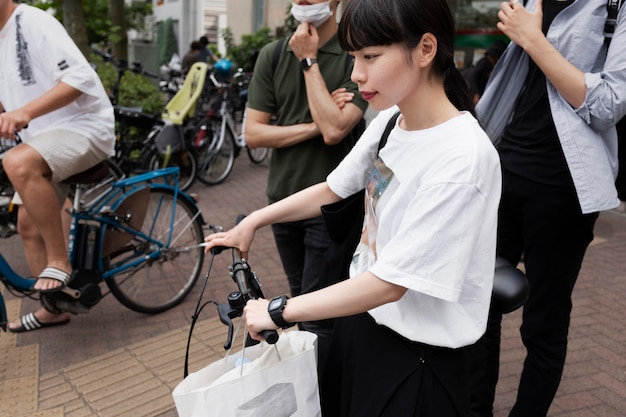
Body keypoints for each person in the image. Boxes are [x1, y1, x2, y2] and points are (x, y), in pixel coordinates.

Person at [204, 0, 502, 415]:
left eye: (370, 56)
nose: (356, 73)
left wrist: (280, 311)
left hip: (415, 357)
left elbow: (390, 282)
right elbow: (333, 188)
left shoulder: (462, 157)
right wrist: (254, 220)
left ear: (425, 49)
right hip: (362, 323)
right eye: (353, 57)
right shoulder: (392, 120)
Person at [467, 1, 626, 416]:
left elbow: (609, 104)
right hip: (503, 166)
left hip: (564, 188)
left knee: (544, 320)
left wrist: (534, 39)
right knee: (478, 300)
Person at [241, 0, 367, 374]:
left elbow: (336, 130)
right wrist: (318, 119)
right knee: (302, 298)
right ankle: (315, 384)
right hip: (283, 200)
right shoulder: (274, 54)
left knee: (315, 311)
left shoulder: (354, 55)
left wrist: (309, 61)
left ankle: (321, 393)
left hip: (332, 205)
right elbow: (253, 133)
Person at [0, 0, 115, 332]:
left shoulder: (32, 22)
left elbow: (80, 77)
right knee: (27, 225)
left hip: (85, 128)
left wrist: (26, 113)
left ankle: (59, 261)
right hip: (43, 141)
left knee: (18, 163)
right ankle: (54, 307)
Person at [462, 39, 507, 106]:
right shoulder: (485, 62)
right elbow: (472, 76)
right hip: (469, 89)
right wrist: (476, 94)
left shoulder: (491, 64)